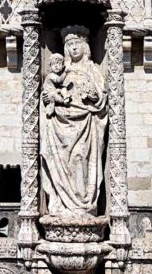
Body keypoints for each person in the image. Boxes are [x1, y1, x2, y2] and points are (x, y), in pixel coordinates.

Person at [40, 27, 108, 217]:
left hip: (85, 122)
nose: (73, 48)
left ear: (85, 46)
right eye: (69, 45)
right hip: (60, 124)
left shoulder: (92, 69)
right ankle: (62, 204)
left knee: (80, 159)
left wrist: (92, 95)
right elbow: (48, 91)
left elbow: (101, 98)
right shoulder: (62, 71)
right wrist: (50, 98)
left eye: (77, 44)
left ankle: (83, 204)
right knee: (61, 161)